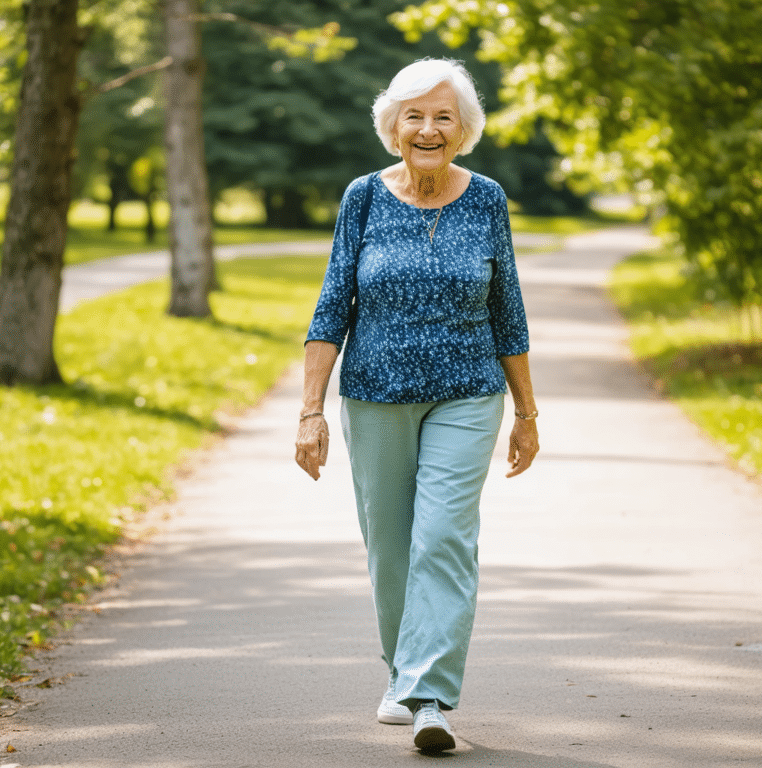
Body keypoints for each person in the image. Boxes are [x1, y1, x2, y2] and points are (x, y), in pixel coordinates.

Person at [294, 58, 539, 753]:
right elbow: (331, 304)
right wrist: (310, 412)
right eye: (414, 115)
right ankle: (401, 672)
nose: (428, 129)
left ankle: (429, 696)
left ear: (464, 131)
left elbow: (508, 310)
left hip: (468, 393)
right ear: (392, 127)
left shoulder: (487, 199)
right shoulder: (363, 199)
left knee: (444, 539)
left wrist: (527, 413)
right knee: (392, 547)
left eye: (443, 117)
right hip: (375, 395)